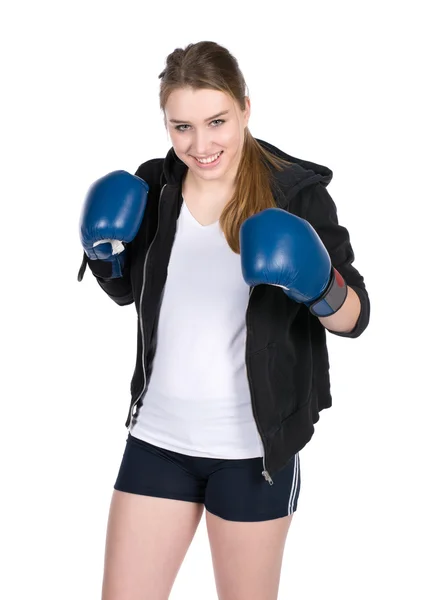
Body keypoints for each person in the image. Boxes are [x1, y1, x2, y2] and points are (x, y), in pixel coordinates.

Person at [78, 41, 370, 600]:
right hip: (157, 440)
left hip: (252, 454)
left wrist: (318, 284)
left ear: (245, 108)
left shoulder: (294, 193)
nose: (200, 144)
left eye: (217, 122)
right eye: (181, 126)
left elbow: (354, 318)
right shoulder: (155, 185)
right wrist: (101, 256)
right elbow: (125, 293)